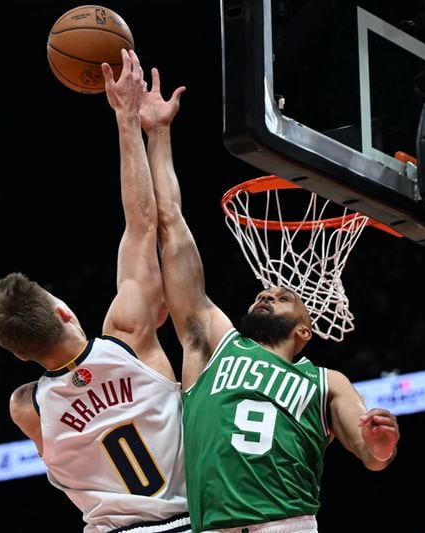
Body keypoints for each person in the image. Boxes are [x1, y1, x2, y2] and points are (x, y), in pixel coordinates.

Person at [138, 66, 400, 532]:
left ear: (305, 329)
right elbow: (171, 225)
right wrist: (158, 135)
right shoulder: (210, 346)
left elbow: (370, 454)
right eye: (267, 291)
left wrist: (379, 445)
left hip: (287, 524)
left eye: (284, 296)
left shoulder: (327, 381)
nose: (269, 290)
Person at [0, 49, 190, 533]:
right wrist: (128, 120)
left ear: (18, 355)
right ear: (61, 311)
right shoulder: (130, 338)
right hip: (187, 522)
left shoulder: (25, 408)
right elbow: (142, 224)